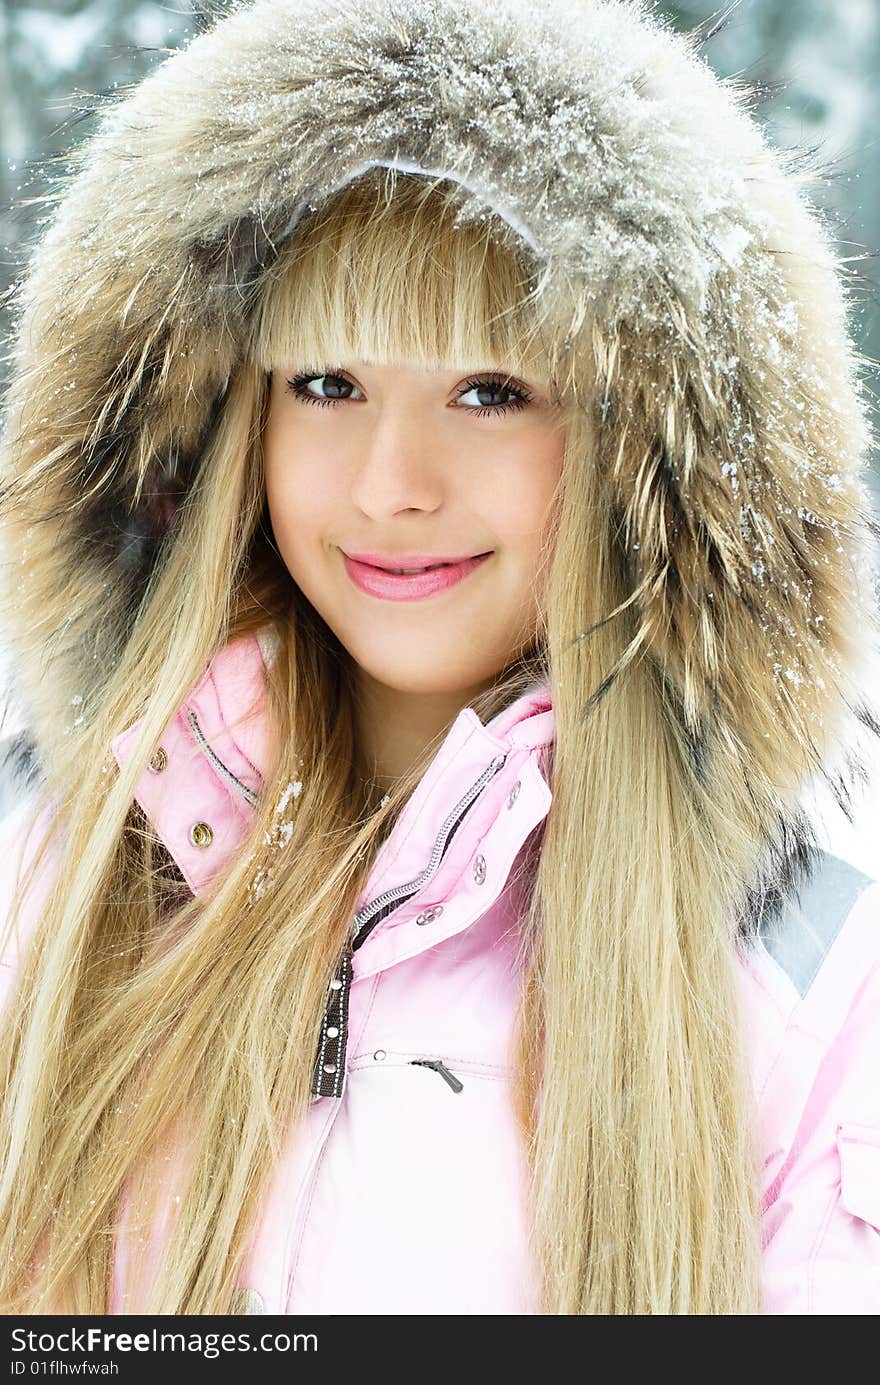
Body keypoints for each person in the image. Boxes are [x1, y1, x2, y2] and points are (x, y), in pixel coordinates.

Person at [0, 0, 878, 1317]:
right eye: (327, 383)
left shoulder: (808, 974)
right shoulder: (51, 857)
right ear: (232, 416)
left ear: (634, 449)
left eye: (490, 391)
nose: (392, 484)